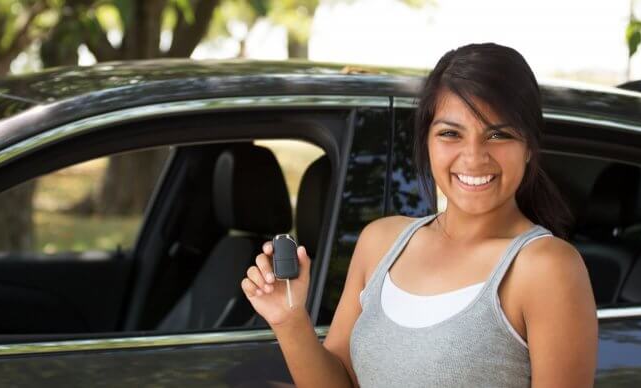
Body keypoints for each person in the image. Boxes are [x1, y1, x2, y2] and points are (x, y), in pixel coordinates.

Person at [240, 42, 598, 387]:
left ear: (530, 147)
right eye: (450, 134)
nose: (473, 157)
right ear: (426, 142)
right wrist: (290, 321)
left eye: (498, 135)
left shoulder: (546, 267)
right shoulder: (381, 242)